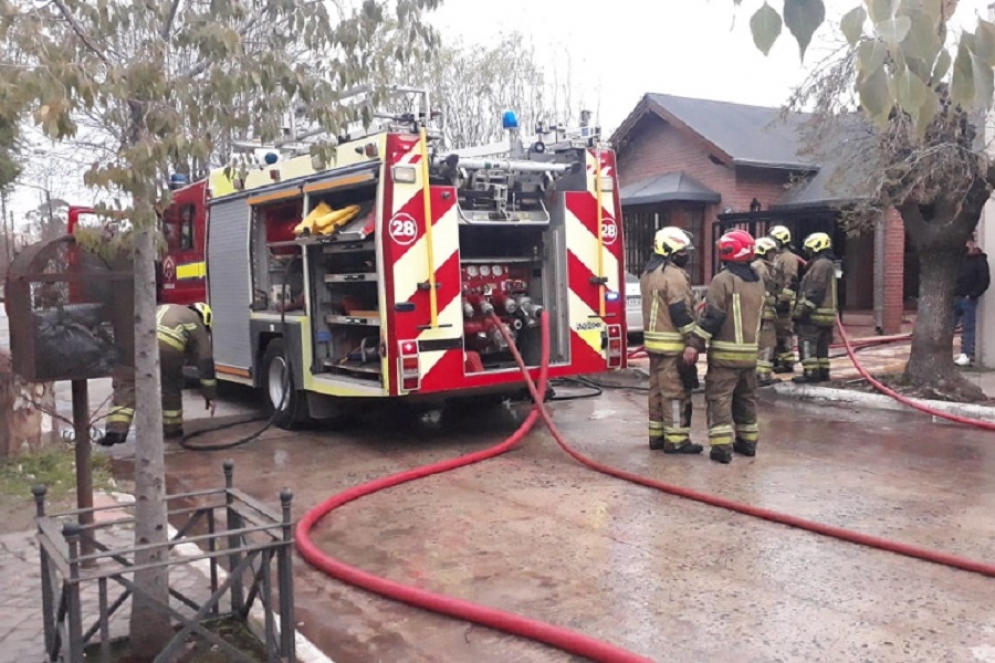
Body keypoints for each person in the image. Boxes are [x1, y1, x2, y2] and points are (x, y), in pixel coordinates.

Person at [689, 229, 766, 464]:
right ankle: (747, 443)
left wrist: (694, 344)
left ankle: (722, 449)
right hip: (750, 356)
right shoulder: (757, 280)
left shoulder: (723, 280)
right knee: (746, 400)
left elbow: (712, 316)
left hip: (725, 356)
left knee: (719, 399)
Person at [98, 302, 217, 446]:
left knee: (127, 384)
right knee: (170, 386)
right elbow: (205, 360)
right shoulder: (196, 322)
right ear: (205, 319)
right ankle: (172, 429)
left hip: (134, 342)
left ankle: (116, 431)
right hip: (166, 347)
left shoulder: (166, 308)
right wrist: (209, 394)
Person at [640, 226, 702, 454]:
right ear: (671, 250)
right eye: (682, 251)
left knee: (656, 393)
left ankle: (656, 437)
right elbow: (680, 312)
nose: (685, 255)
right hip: (672, 347)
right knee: (674, 394)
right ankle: (676, 440)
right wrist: (693, 339)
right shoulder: (673, 275)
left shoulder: (647, 274)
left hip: (654, 346)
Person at [792, 232, 838, 383]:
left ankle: (811, 373)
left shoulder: (820, 265)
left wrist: (801, 312)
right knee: (821, 346)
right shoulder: (827, 263)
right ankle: (823, 371)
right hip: (825, 316)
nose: (808, 252)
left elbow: (815, 290)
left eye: (810, 249)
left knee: (807, 342)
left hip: (815, 314)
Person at [768, 225, 801, 374]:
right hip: (776, 300)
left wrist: (784, 301)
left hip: (784, 302)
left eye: (774, 240)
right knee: (776, 333)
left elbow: (791, 280)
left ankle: (787, 362)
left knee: (784, 333)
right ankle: (777, 360)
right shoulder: (778, 257)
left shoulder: (788, 258)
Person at [954, 235, 990, 367]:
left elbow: (984, 281)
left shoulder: (979, 260)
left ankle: (966, 354)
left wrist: (972, 295)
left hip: (968, 299)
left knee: (968, 328)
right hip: (956, 297)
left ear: (972, 243)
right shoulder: (959, 259)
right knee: (949, 327)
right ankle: (948, 354)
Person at [752, 236, 779, 386]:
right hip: (764, 314)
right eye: (771, 252)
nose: (773, 255)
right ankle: (763, 375)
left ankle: (759, 374)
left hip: (764, 314)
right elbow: (762, 291)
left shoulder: (763, 266)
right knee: (767, 344)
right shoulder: (760, 267)